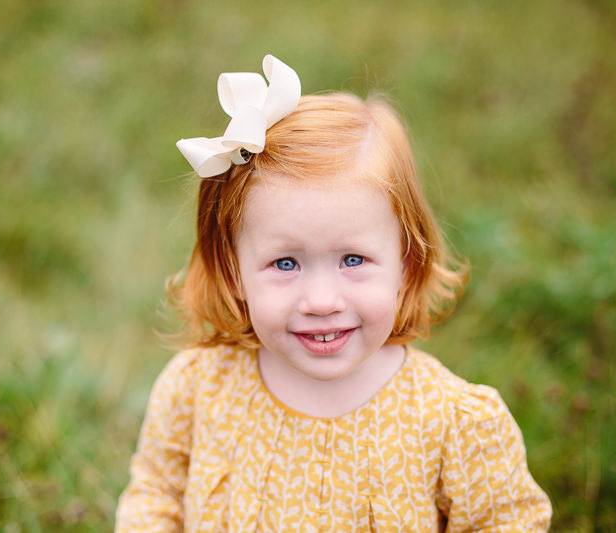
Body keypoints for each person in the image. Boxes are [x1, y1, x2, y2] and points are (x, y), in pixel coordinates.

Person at [115, 54, 551, 532]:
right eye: (285, 263)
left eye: (353, 260)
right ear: (234, 271)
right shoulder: (199, 388)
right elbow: (155, 496)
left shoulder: (454, 423)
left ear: (406, 263)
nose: (321, 301)